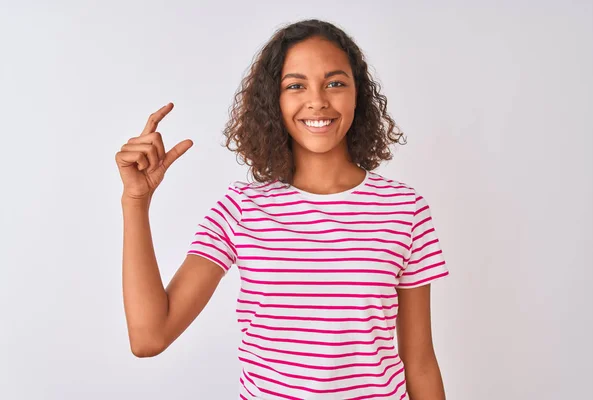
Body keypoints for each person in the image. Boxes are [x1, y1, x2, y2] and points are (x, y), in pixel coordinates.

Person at [116, 19, 449, 400]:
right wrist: (135, 202)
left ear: (359, 94)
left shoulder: (403, 210)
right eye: (295, 85)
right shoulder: (241, 210)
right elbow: (149, 337)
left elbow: (419, 361)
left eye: (335, 82)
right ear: (274, 101)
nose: (318, 100)